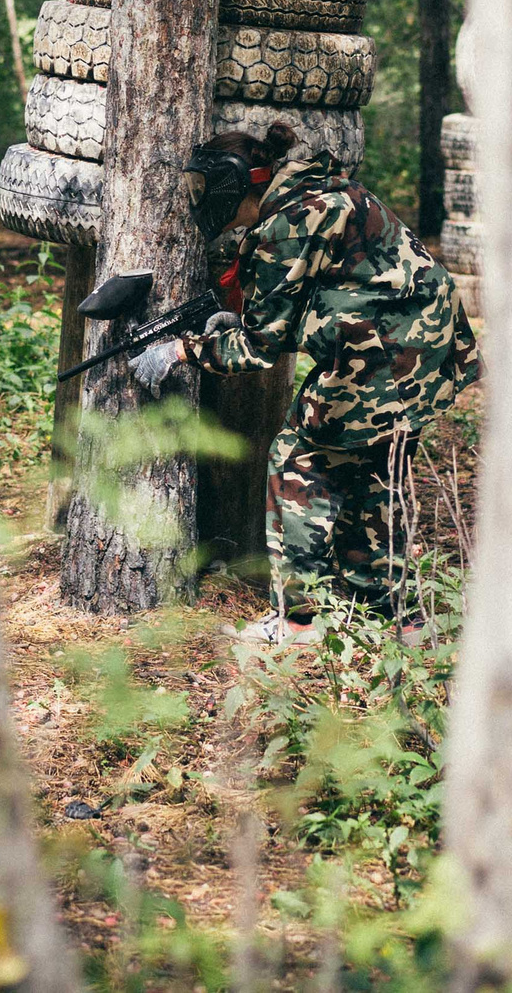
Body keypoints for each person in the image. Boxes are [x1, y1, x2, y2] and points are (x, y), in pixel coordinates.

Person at [129, 122, 478, 644]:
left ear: (234, 184)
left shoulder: (285, 224)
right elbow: (327, 297)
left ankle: (298, 620)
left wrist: (180, 351)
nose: (202, 200)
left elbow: (259, 349)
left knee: (298, 460)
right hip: (430, 343)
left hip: (385, 350)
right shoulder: (317, 190)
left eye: (206, 187)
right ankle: (393, 617)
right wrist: (240, 321)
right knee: (376, 468)